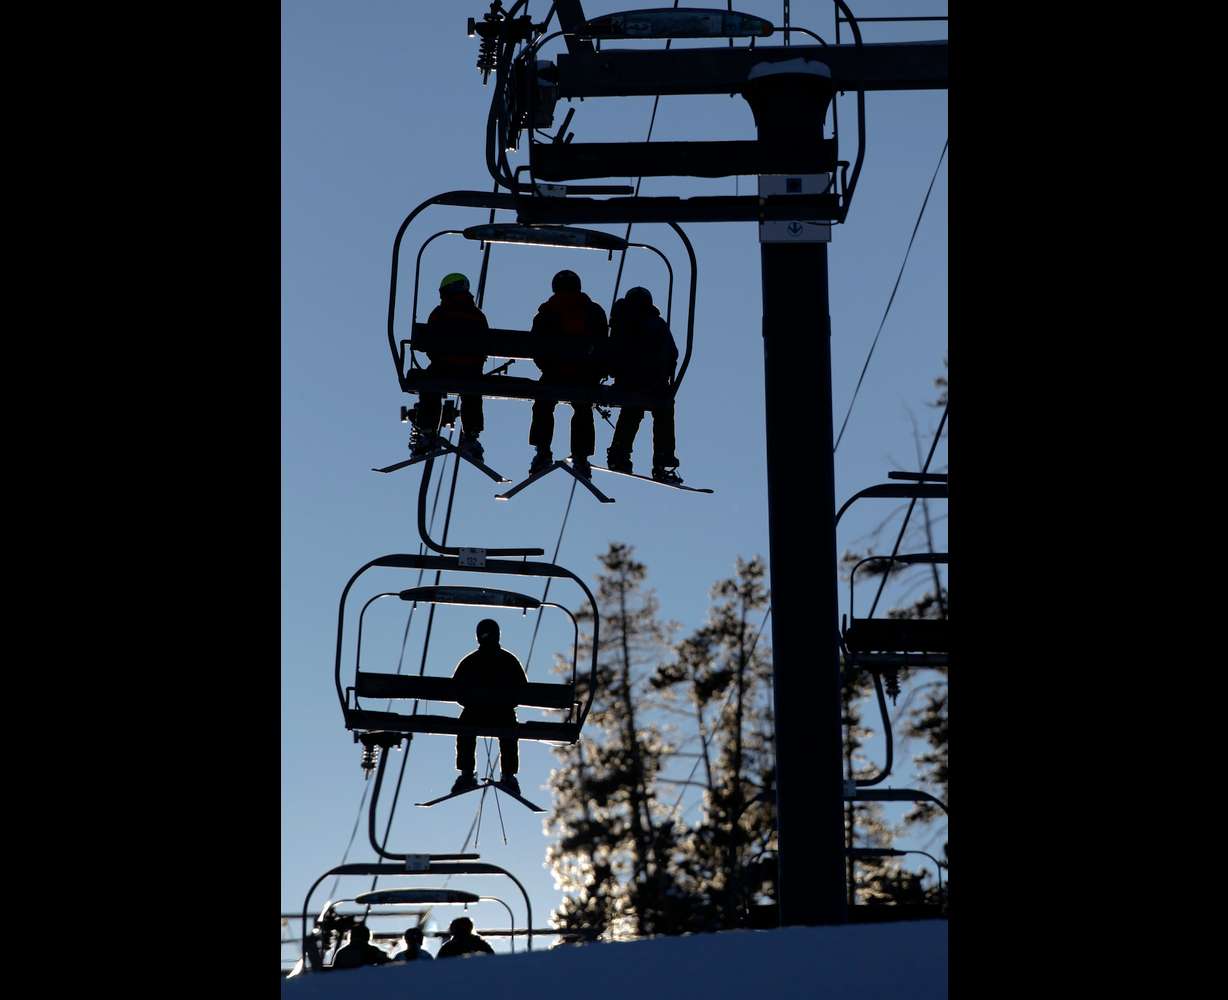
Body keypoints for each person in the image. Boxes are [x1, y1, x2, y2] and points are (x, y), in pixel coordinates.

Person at [527, 269, 608, 478]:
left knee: (543, 404)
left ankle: (542, 451)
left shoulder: (547, 312)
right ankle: (581, 457)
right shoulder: (594, 311)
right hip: (584, 375)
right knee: (583, 408)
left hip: (555, 373)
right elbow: (603, 346)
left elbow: (537, 347)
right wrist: (595, 372)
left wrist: (548, 368)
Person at [604, 286, 683, 485]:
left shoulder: (621, 323)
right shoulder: (656, 324)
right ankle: (662, 458)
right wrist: (664, 373)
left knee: (632, 410)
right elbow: (672, 353)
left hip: (628, 382)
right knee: (662, 408)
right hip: (651, 383)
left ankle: (620, 453)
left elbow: (611, 353)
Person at [414, 272, 488, 461]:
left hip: (442, 369)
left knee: (429, 384)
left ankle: (428, 431)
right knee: (473, 390)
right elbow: (484, 347)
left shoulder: (439, 314)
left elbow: (430, 347)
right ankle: (471, 436)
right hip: (470, 371)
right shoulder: (477, 316)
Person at [451, 618, 528, 795]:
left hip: (475, 713)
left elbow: (457, 691)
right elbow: (523, 691)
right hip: (501, 714)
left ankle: (467, 773)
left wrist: (475, 702)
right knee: (508, 729)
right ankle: (508, 775)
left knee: (466, 728)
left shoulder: (470, 661)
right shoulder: (509, 661)